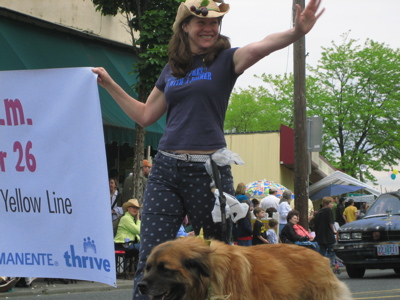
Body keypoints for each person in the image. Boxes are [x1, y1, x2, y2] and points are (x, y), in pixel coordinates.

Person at [92, 0, 324, 298]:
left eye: (215, 23)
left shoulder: (226, 60)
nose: (209, 28)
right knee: (151, 259)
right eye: (201, 22)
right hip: (165, 168)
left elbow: (261, 46)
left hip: (209, 174)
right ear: (184, 27)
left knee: (215, 261)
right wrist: (110, 83)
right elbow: (145, 115)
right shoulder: (171, 69)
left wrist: (296, 32)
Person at [314, 197, 337, 265]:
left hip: (320, 235)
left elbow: (316, 224)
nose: (332, 204)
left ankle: (320, 264)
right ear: (328, 203)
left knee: (322, 251)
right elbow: (331, 223)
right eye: (331, 203)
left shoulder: (319, 212)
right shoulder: (329, 211)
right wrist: (334, 230)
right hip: (328, 234)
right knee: (332, 250)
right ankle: (327, 263)